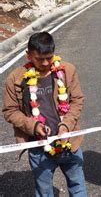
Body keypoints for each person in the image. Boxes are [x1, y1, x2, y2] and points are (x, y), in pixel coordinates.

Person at [2, 32, 87, 196]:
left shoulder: (67, 70)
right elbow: (9, 111)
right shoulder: (15, 79)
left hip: (70, 143)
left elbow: (77, 100)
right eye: (40, 59)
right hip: (38, 148)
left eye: (49, 57)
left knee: (78, 187)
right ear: (28, 56)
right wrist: (34, 126)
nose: (46, 62)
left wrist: (65, 125)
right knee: (44, 191)